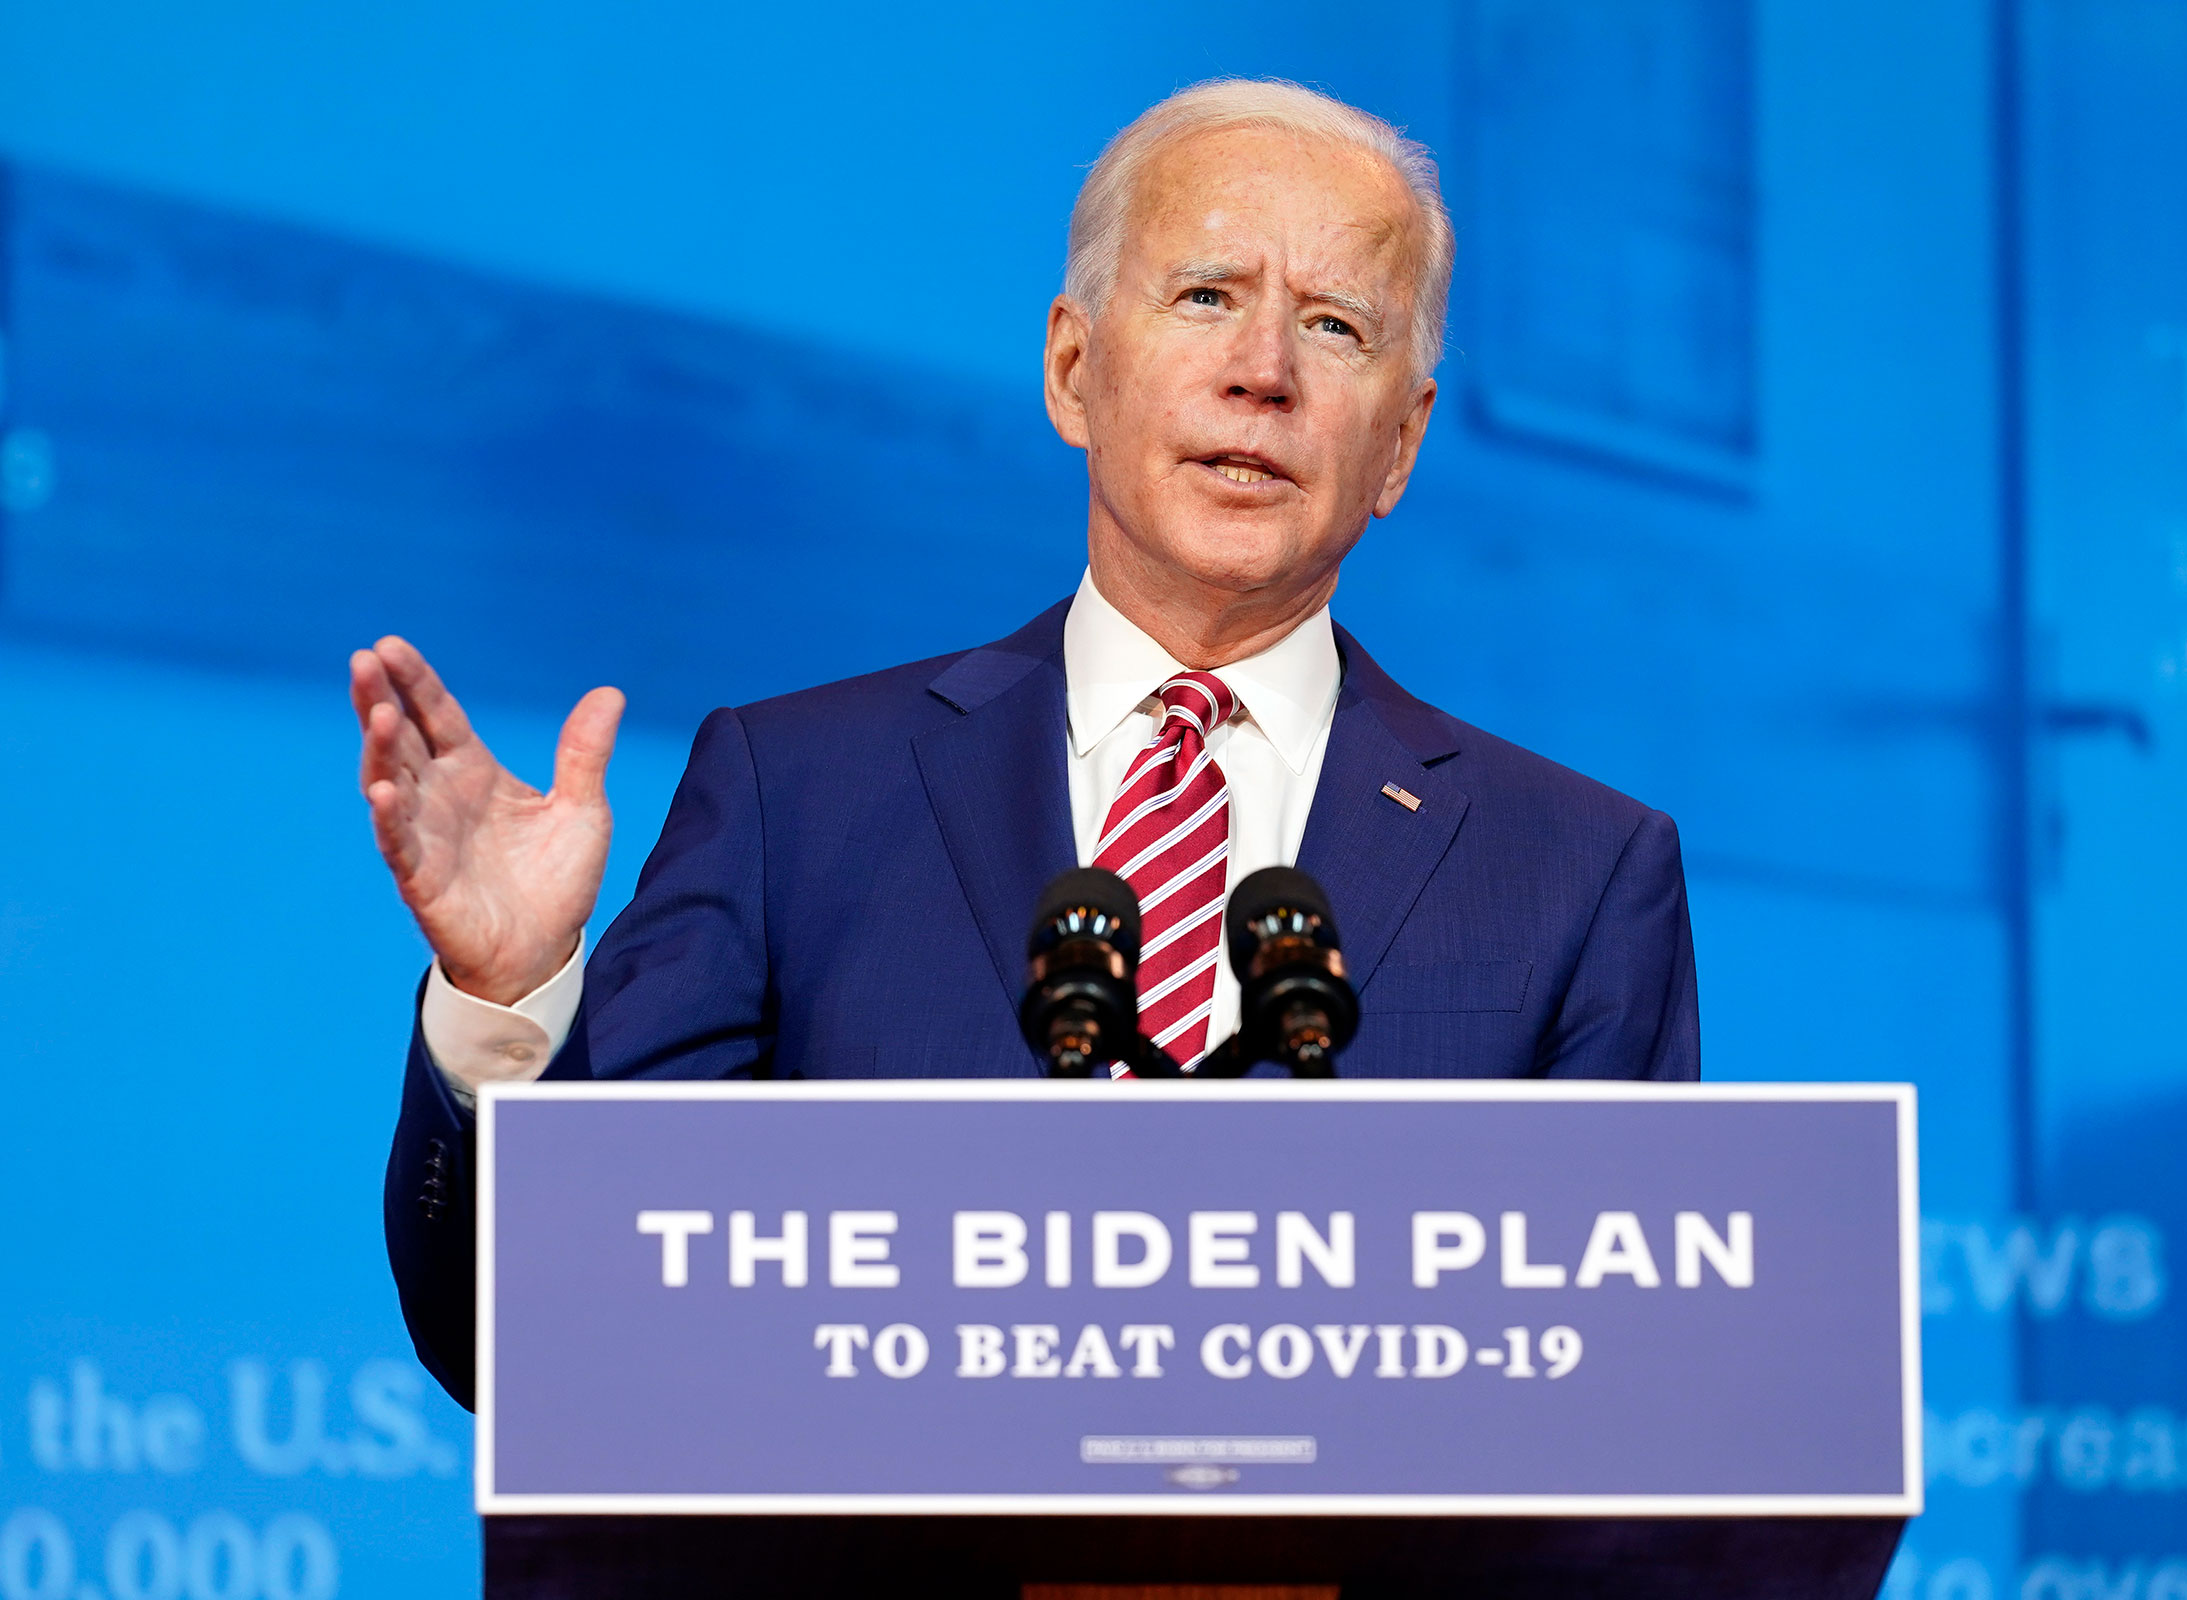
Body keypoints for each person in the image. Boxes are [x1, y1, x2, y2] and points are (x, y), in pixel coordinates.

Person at [354, 79, 1699, 1409]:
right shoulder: (798, 803)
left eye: (1338, 326)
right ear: (1072, 369)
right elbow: (539, 1340)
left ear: (1401, 445)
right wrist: (513, 997)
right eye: (1207, 296)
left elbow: (1624, 1410)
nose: (1263, 372)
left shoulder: (1573, 875)